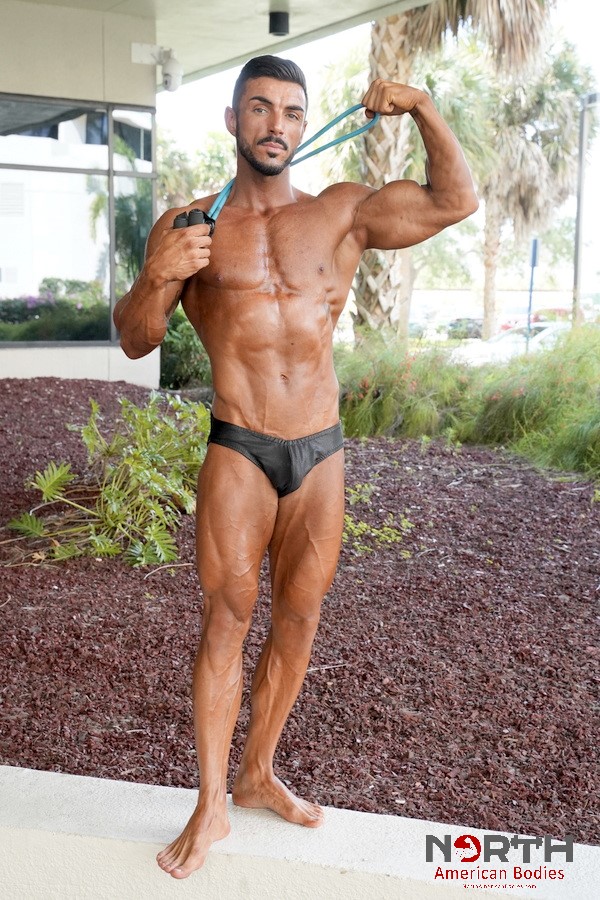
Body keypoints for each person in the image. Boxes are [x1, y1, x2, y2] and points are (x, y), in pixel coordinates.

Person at [113, 54, 478, 879]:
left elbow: (455, 200)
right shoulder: (190, 226)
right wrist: (158, 273)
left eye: (290, 111)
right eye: (259, 108)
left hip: (321, 449)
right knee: (226, 620)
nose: (275, 124)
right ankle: (210, 804)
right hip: (240, 446)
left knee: (300, 618)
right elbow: (135, 338)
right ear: (233, 119)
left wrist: (422, 106)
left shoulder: (341, 213)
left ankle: (256, 772)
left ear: (305, 124)